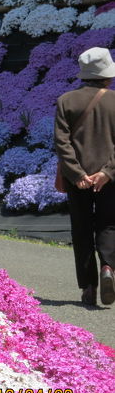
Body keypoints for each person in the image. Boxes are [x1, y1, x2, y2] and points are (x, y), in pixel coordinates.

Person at [55, 46, 115, 306]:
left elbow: (62, 142)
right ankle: (108, 269)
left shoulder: (66, 101)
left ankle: (88, 287)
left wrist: (77, 174)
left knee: (81, 230)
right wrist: (107, 172)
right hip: (109, 180)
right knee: (108, 225)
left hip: (76, 179)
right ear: (107, 75)